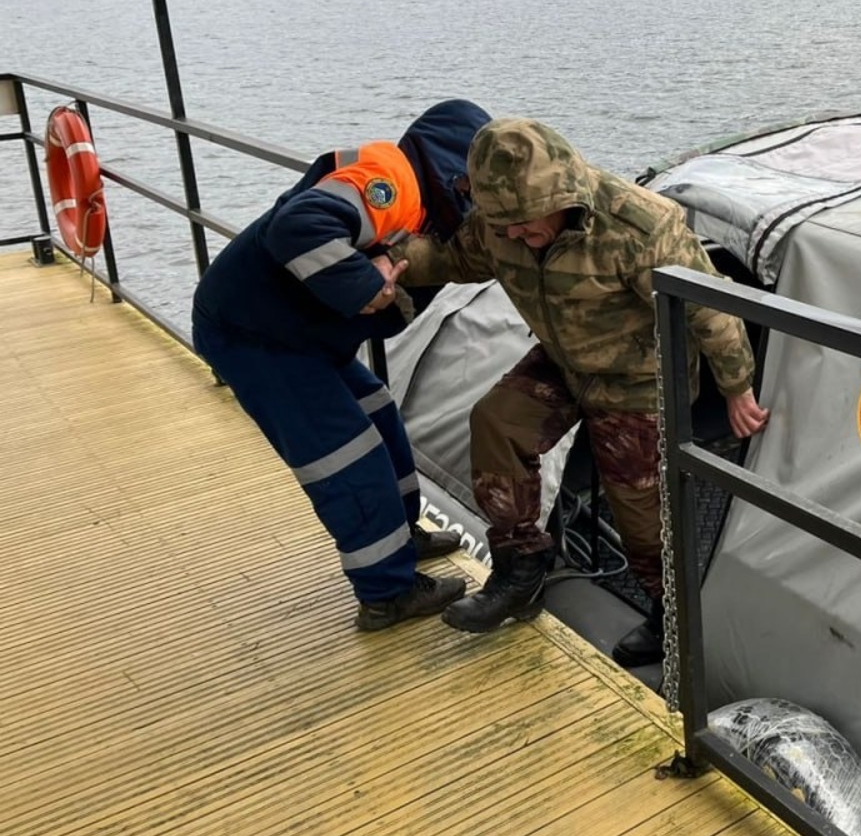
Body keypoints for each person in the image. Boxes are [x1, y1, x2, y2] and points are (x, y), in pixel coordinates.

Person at [398, 117, 768, 665]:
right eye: (505, 227)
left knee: (641, 516)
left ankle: (674, 619)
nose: (515, 236)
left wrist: (737, 389)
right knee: (496, 424)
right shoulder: (501, 223)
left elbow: (710, 311)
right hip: (565, 359)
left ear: (563, 198)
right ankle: (521, 573)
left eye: (526, 224)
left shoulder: (640, 227)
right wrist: (393, 261)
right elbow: (457, 259)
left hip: (639, 378)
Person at [191, 99, 494, 630]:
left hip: (298, 334)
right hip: (255, 336)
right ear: (456, 171)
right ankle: (386, 594)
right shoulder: (392, 182)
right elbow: (297, 227)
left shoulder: (422, 199)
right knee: (348, 457)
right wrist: (364, 280)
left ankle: (401, 541)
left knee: (382, 419)